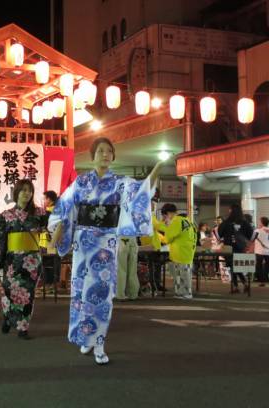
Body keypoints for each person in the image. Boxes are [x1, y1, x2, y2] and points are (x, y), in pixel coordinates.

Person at [48, 137, 164, 365]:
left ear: (113, 156)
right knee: (81, 292)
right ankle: (86, 337)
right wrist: (55, 237)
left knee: (102, 293)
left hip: (106, 244)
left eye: (109, 151)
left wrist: (156, 170)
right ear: (92, 156)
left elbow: (140, 192)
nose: (104, 154)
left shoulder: (120, 182)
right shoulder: (81, 182)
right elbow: (64, 210)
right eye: (100, 151)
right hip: (83, 243)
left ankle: (99, 342)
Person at [0, 179, 48, 340]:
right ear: (16, 192)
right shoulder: (6, 215)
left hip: (31, 261)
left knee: (28, 295)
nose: (27, 193)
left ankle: (23, 327)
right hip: (12, 261)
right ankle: (7, 318)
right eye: (23, 190)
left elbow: (56, 224)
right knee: (8, 292)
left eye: (29, 190)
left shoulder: (40, 214)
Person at [159, 204, 197, 300]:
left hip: (180, 252)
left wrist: (159, 234)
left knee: (181, 274)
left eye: (164, 216)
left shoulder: (176, 221)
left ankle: (186, 293)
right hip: (188, 251)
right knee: (184, 273)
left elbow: (168, 238)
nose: (164, 219)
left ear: (167, 213)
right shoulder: (187, 220)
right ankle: (180, 293)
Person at [218, 204, 254, 293]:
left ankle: (236, 286)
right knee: (237, 267)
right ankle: (243, 284)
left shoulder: (227, 222)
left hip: (229, 247)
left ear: (231, 210)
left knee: (233, 266)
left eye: (229, 210)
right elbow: (251, 235)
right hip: (240, 247)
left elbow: (219, 234)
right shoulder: (244, 222)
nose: (228, 211)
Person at [116, 235, 139, 301]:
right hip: (133, 238)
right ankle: (133, 294)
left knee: (121, 269)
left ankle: (120, 295)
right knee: (133, 269)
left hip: (121, 238)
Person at [253, 217, 269, 287]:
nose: (259, 223)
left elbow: (252, 238)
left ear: (262, 223)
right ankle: (266, 279)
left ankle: (262, 281)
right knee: (267, 266)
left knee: (258, 266)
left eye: (259, 222)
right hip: (268, 251)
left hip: (260, 251)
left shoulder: (257, 231)